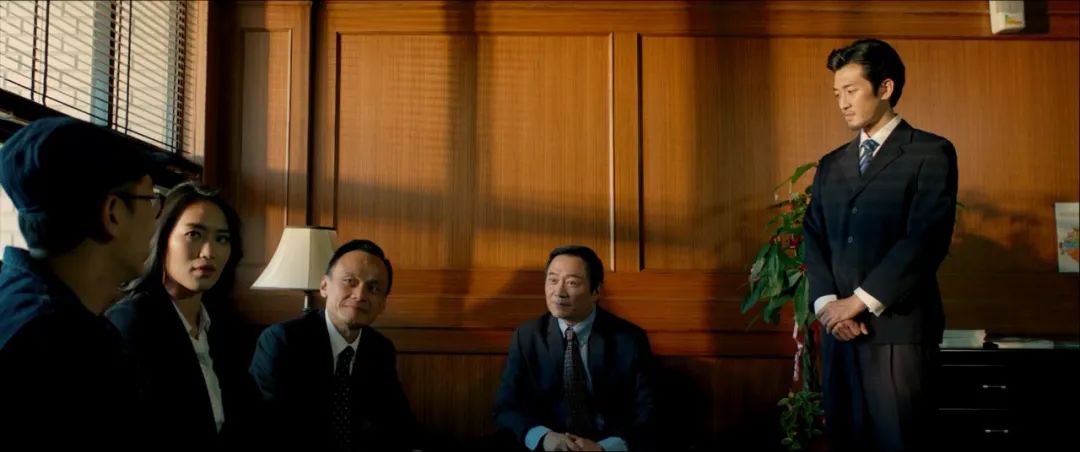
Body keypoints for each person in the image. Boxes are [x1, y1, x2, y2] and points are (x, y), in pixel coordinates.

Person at [803, 38, 958, 451]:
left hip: (898, 333)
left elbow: (925, 240)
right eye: (837, 93)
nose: (842, 103)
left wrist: (857, 302)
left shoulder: (930, 152)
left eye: (851, 90)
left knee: (901, 441)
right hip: (839, 334)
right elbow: (813, 236)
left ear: (885, 88)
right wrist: (828, 306)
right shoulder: (831, 164)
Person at [0, 117, 171, 448]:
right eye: (151, 200)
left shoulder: (16, 303)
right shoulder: (68, 349)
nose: (156, 221)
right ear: (113, 214)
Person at [105, 181, 261, 449]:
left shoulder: (226, 327)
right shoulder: (131, 322)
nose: (209, 252)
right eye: (194, 235)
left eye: (222, 239)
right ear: (162, 238)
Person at [250, 239, 419, 451]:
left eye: (373, 288)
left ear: (383, 304)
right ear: (324, 286)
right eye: (350, 281)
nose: (360, 295)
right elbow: (269, 426)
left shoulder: (380, 349)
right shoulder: (282, 341)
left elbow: (399, 425)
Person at [494, 245, 657, 451]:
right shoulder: (527, 337)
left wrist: (604, 448)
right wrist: (543, 437)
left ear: (596, 291)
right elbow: (506, 407)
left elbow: (649, 410)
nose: (559, 292)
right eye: (553, 280)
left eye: (572, 283)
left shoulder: (629, 339)